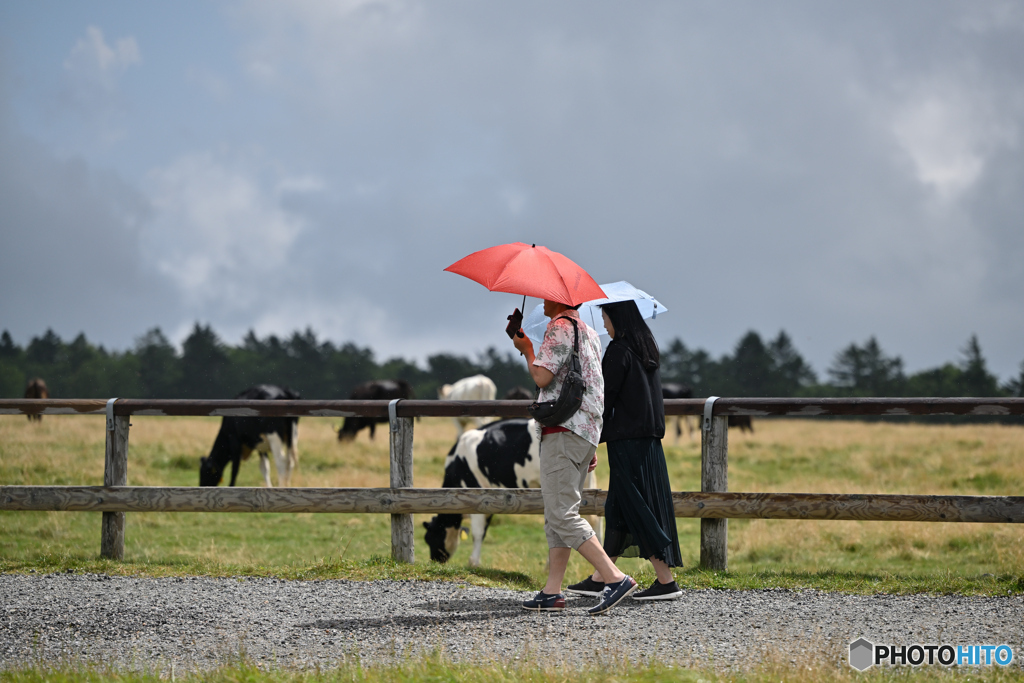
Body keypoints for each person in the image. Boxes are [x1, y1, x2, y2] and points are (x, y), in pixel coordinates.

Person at [512, 298, 638, 615]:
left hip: (562, 430)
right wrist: (591, 441)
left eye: (545, 295)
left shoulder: (560, 327)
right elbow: (595, 386)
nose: (541, 300)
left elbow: (542, 378)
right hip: (585, 431)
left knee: (561, 513)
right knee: (559, 511)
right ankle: (552, 592)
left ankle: (615, 578)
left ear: (558, 298)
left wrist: (525, 348)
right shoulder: (590, 332)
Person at [566, 299, 683, 601]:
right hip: (649, 441)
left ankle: (666, 581)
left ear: (617, 317)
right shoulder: (647, 350)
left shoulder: (618, 352)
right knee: (617, 508)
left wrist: (592, 438)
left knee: (636, 506)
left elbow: (604, 401)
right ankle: (601, 576)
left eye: (605, 318)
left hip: (626, 442)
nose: (604, 324)